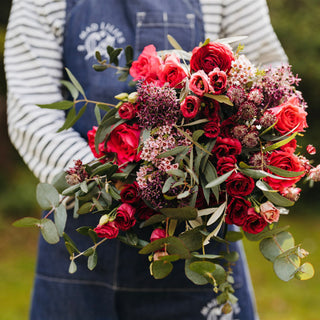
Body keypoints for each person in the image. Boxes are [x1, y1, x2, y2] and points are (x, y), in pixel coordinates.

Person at [5, 0, 287, 319]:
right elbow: (31, 111)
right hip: (82, 231)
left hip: (196, 232)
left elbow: (263, 73)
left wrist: (201, 168)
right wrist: (111, 183)